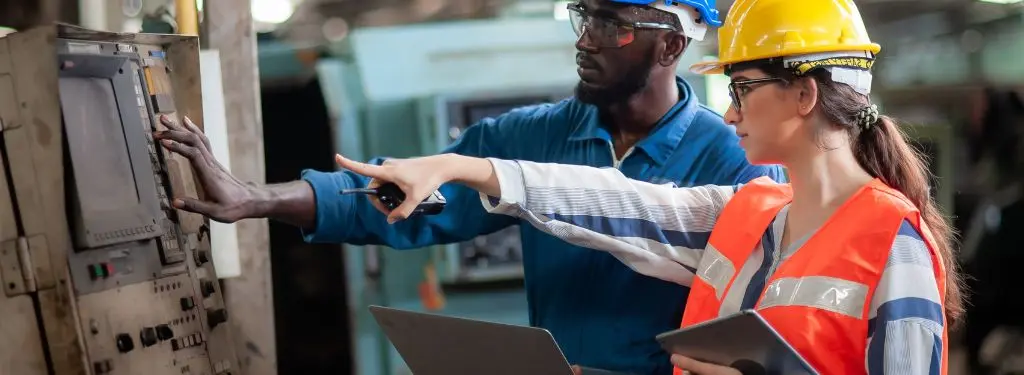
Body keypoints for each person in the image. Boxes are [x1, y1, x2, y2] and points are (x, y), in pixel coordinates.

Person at [330, 0, 965, 374]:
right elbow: (612, 203)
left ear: (804, 94)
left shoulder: (892, 245)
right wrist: (457, 167)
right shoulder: (751, 214)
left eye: (742, 90)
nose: (732, 112)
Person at [154, 0, 784, 373]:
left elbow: (761, 323)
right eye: (582, 16)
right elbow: (406, 194)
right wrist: (253, 199)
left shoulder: (734, 161)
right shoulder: (530, 137)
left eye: (610, 22)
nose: (585, 40)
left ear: (672, 43)